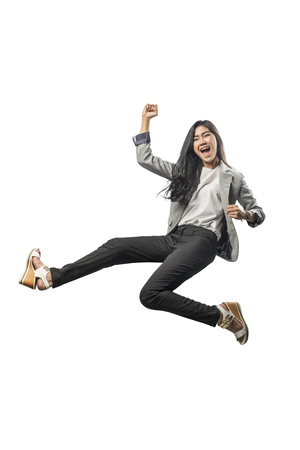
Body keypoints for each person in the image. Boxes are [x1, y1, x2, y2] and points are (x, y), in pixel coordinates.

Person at [19, 104, 265, 345]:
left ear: (216, 140)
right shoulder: (186, 171)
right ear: (193, 147)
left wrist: (247, 216)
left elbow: (258, 211)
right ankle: (51, 277)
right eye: (196, 138)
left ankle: (221, 316)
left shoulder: (234, 177)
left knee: (150, 295)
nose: (202, 140)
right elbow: (145, 158)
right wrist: (145, 121)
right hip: (175, 238)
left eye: (206, 135)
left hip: (204, 241)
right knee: (116, 246)